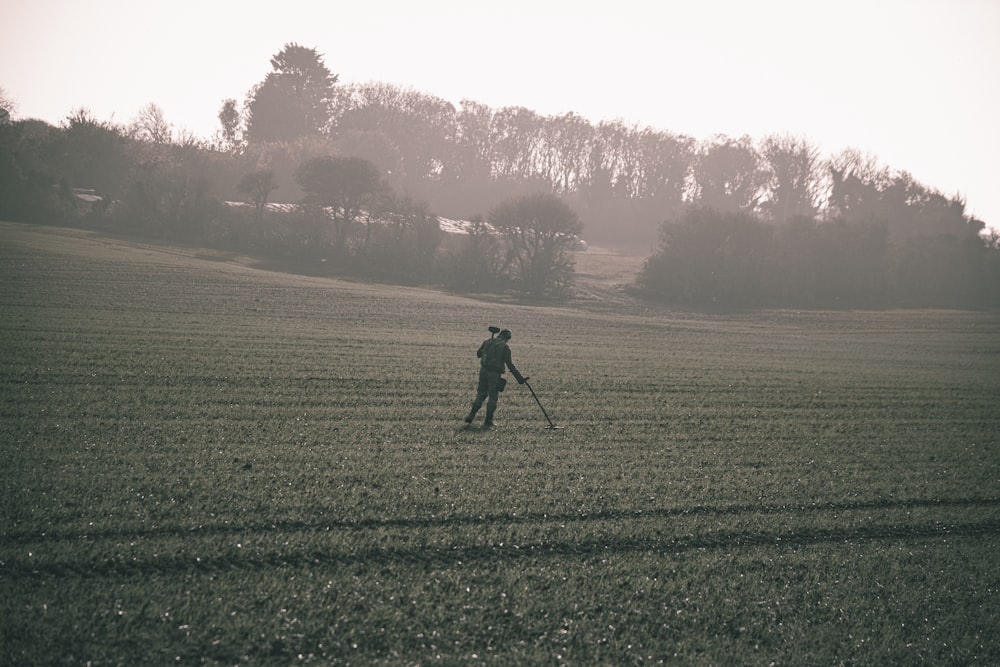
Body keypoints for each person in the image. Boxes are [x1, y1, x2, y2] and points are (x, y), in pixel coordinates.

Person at [465, 328, 527, 429]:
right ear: (507, 338)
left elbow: (478, 354)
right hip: (494, 373)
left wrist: (487, 349)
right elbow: (510, 365)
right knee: (493, 396)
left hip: (483, 371)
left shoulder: (487, 341)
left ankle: (471, 415)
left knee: (481, 394)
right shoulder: (505, 347)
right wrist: (519, 378)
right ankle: (488, 421)